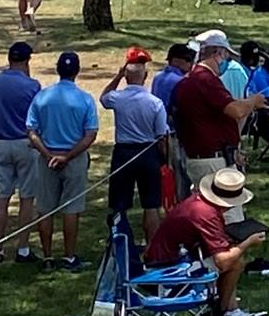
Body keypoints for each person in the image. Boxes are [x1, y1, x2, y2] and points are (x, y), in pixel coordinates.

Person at [143, 168, 269, 316]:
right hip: (167, 273)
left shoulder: (200, 202)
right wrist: (247, 242)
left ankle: (227, 309)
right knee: (235, 262)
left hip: (166, 260)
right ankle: (221, 314)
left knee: (231, 253)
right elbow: (223, 261)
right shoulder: (206, 214)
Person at [173, 32, 268, 222]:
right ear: (217, 53)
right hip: (212, 161)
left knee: (206, 216)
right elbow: (236, 110)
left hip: (201, 156)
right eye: (226, 56)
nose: (226, 61)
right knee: (228, 216)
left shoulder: (187, 81)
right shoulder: (205, 79)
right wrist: (253, 101)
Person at [25, 51, 98, 272]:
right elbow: (90, 134)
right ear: (77, 71)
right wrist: (68, 156)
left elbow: (31, 130)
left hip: (47, 158)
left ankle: (47, 257)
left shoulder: (42, 97)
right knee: (71, 208)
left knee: (45, 208)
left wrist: (47, 154)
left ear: (58, 70)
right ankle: (69, 256)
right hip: (73, 159)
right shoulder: (85, 99)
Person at [100, 47, 169, 241]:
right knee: (151, 204)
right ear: (145, 76)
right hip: (148, 153)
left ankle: (119, 243)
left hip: (123, 153)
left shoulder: (118, 98)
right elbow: (161, 135)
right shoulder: (155, 103)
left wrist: (117, 77)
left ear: (126, 76)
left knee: (119, 205)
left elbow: (104, 98)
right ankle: (152, 246)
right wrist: (165, 159)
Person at [0, 41, 42, 265]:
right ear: (27, 61)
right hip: (24, 143)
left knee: (2, 198)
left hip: (1, 143)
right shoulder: (33, 85)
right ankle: (23, 248)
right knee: (26, 198)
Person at [152, 43, 196, 200]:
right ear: (176, 60)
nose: (191, 64)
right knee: (181, 175)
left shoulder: (157, 78)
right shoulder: (181, 81)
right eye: (188, 60)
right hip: (175, 133)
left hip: (157, 132)